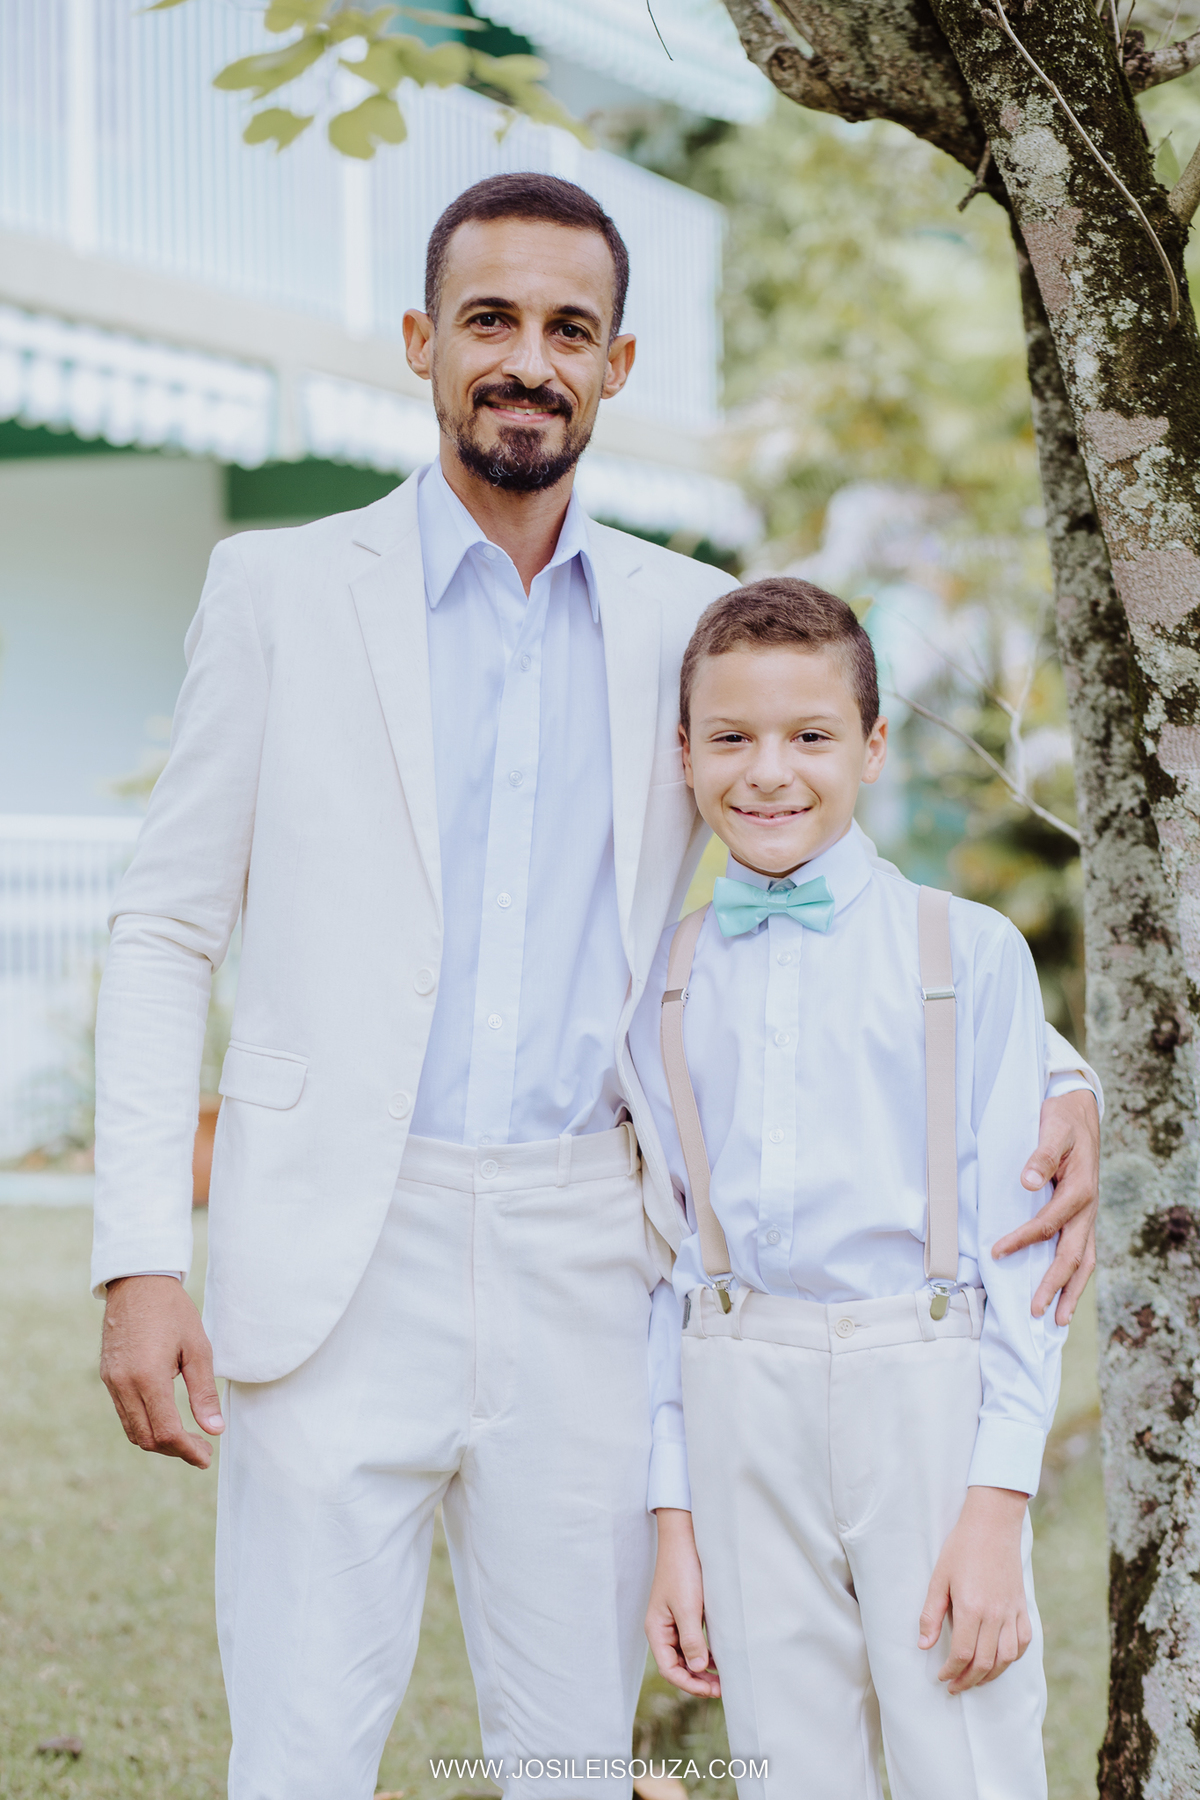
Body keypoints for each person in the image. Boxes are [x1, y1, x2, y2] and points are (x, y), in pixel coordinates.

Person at [92, 175, 1100, 1800]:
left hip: (588, 1257)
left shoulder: (684, 626)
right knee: (296, 1754)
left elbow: (831, 888)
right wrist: (140, 1258)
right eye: (490, 319)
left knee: (567, 1756)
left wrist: (1060, 1075)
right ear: (424, 342)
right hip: (333, 1254)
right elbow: (159, 928)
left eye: (570, 329)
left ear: (617, 364)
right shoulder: (278, 594)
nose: (527, 360)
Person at [632, 578, 1084, 1799]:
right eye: (730, 738)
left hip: (924, 1386)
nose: (768, 772)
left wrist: (995, 1509)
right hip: (737, 1392)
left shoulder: (965, 953)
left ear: (874, 747)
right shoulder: (662, 980)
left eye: (811, 736)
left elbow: (1025, 1255)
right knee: (788, 1769)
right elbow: (669, 1271)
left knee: (968, 1757)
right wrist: (676, 1526)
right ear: (684, 754)